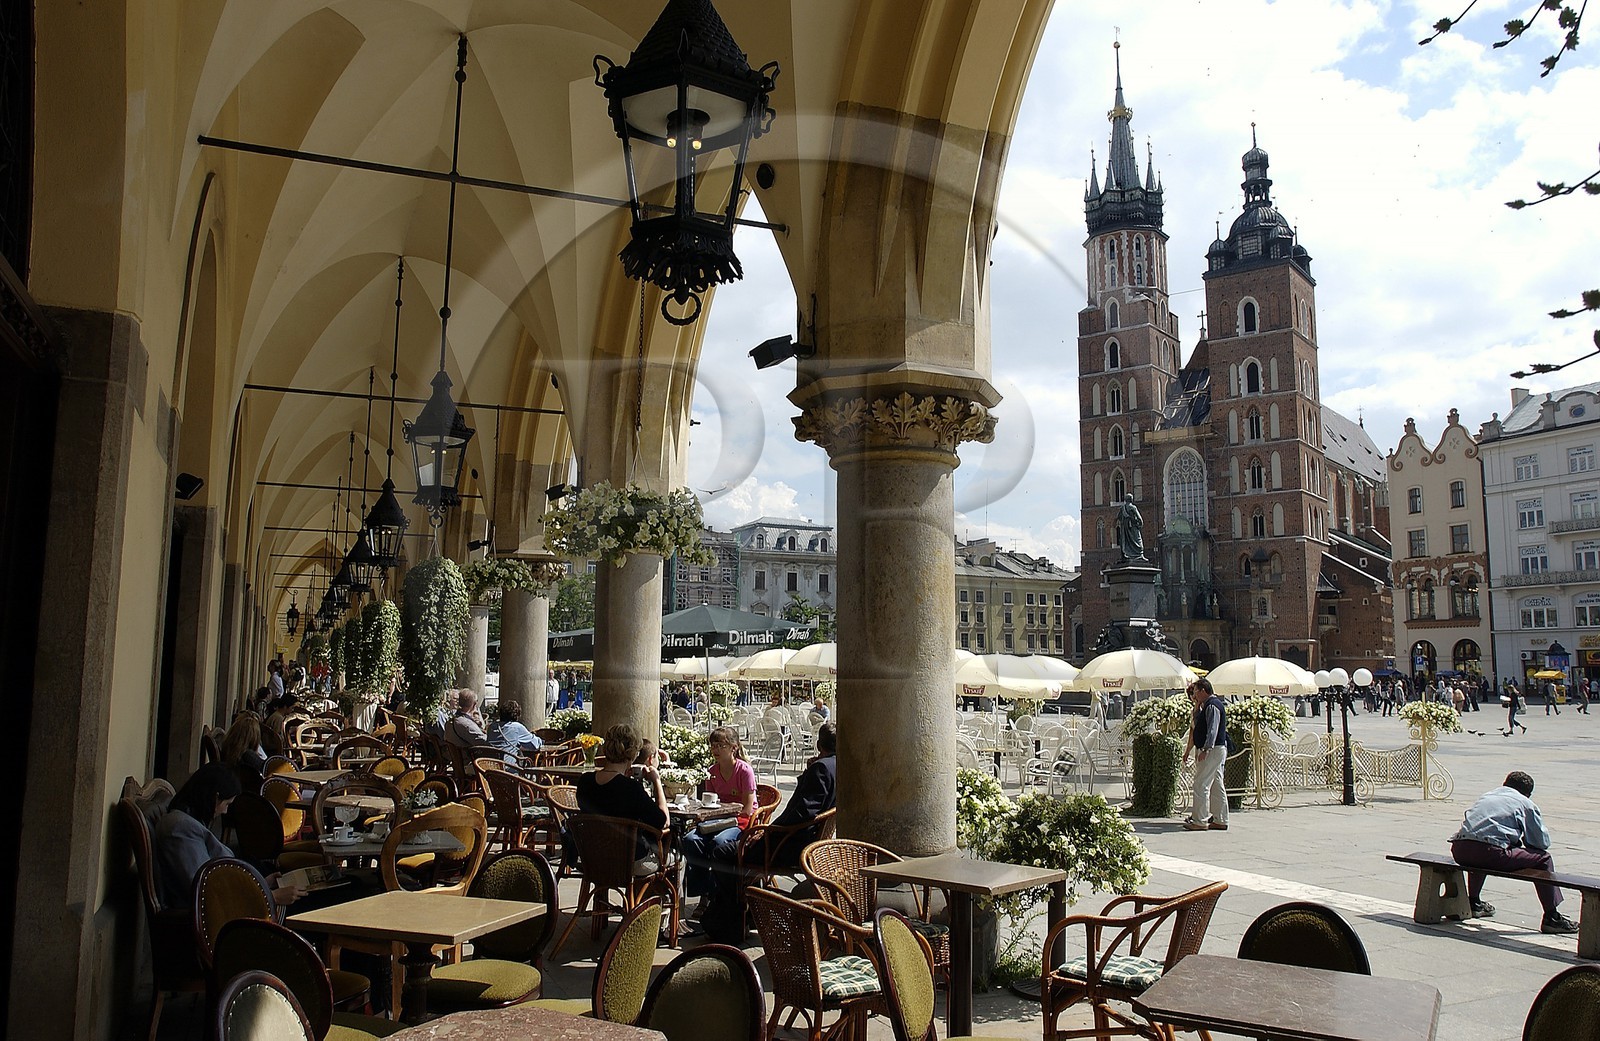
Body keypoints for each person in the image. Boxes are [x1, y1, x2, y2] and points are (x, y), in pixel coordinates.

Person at [153, 763, 302, 909]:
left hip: (235, 899)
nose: (225, 812)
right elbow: (206, 888)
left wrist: (262, 882)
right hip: (226, 913)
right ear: (216, 797)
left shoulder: (185, 823)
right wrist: (270, 897)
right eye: (227, 804)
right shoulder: (181, 829)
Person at [1449, 771, 1579, 934]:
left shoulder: (1487, 796)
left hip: (1460, 849)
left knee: (1480, 850)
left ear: (1505, 784)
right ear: (1527, 793)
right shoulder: (1525, 803)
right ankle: (1552, 916)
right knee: (1544, 859)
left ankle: (1474, 901)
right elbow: (1541, 843)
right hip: (1490, 852)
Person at [680, 726, 757, 912]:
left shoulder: (744, 771)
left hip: (739, 822)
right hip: (717, 820)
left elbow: (747, 809)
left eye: (720, 745)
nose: (715, 749)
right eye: (713, 745)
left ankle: (717, 894)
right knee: (690, 840)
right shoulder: (712, 771)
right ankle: (703, 893)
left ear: (734, 747)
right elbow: (710, 803)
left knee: (719, 842)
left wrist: (727, 815)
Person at [574, 724, 669, 870]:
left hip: (593, 857)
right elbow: (663, 822)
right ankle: (646, 892)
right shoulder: (630, 788)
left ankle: (602, 892)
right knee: (676, 857)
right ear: (633, 753)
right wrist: (657, 781)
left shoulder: (585, 782)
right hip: (629, 860)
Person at [1181, 678, 1229, 832]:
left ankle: (1200, 820)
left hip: (1213, 750)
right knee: (1216, 783)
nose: (1194, 695)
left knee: (1201, 784)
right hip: (1217, 749)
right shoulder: (1206, 706)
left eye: (1195, 691)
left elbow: (1213, 730)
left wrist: (1207, 749)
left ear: (1203, 690)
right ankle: (1220, 819)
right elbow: (1197, 724)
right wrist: (1196, 706)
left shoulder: (1212, 706)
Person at [219, 713, 267, 791]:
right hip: (248, 792)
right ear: (254, 737)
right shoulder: (248, 755)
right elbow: (266, 767)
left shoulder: (230, 748)